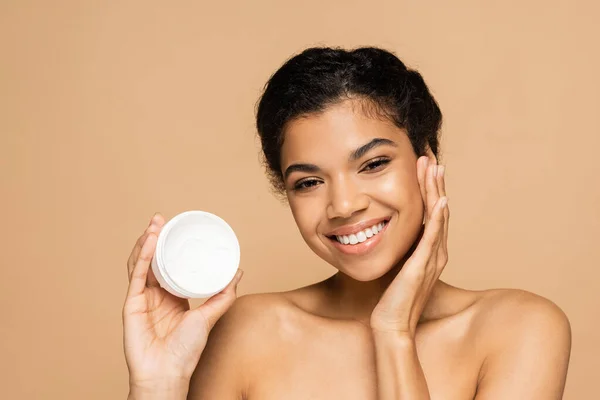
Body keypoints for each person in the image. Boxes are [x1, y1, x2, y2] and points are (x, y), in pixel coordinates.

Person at [122, 47, 572, 399]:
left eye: (373, 163)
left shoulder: (521, 330)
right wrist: (157, 387)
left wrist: (394, 333)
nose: (343, 205)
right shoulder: (245, 331)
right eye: (309, 181)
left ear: (426, 162)